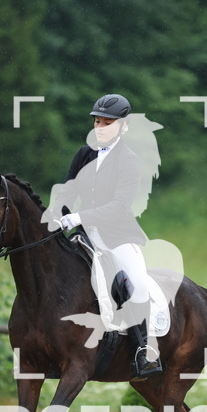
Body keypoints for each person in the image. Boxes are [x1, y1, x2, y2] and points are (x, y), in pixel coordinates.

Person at [45, 93, 164, 379]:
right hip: (84, 236)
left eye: (107, 123)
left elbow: (120, 206)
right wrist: (55, 213)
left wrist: (80, 216)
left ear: (122, 127)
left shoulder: (129, 160)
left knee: (135, 284)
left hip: (118, 236)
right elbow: (68, 190)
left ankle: (144, 351)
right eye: (97, 121)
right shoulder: (84, 154)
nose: (100, 127)